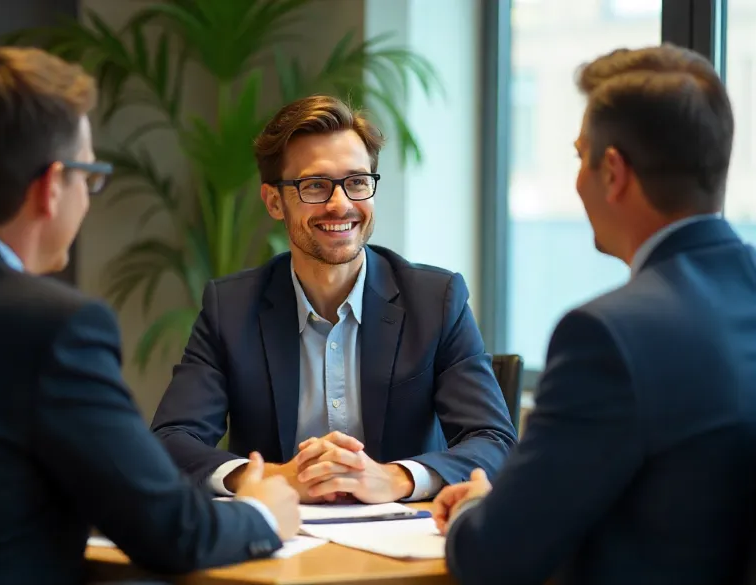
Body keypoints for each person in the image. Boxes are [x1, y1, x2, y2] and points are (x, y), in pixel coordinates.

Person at [0, 46, 300, 585]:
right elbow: (172, 531)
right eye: (89, 180)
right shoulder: (51, 327)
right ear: (51, 187)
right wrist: (262, 511)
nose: (87, 201)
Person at [436, 44, 756, 585]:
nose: (577, 181)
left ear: (613, 172)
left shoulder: (608, 336)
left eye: (579, 155)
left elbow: (495, 557)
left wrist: (476, 512)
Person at [151, 94, 517, 505]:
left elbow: (493, 440)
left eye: (357, 182)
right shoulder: (231, 308)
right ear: (274, 201)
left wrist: (394, 478)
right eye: (315, 186)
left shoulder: (435, 301)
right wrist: (272, 477)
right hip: (278, 544)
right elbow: (171, 440)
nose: (340, 204)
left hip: (398, 542)